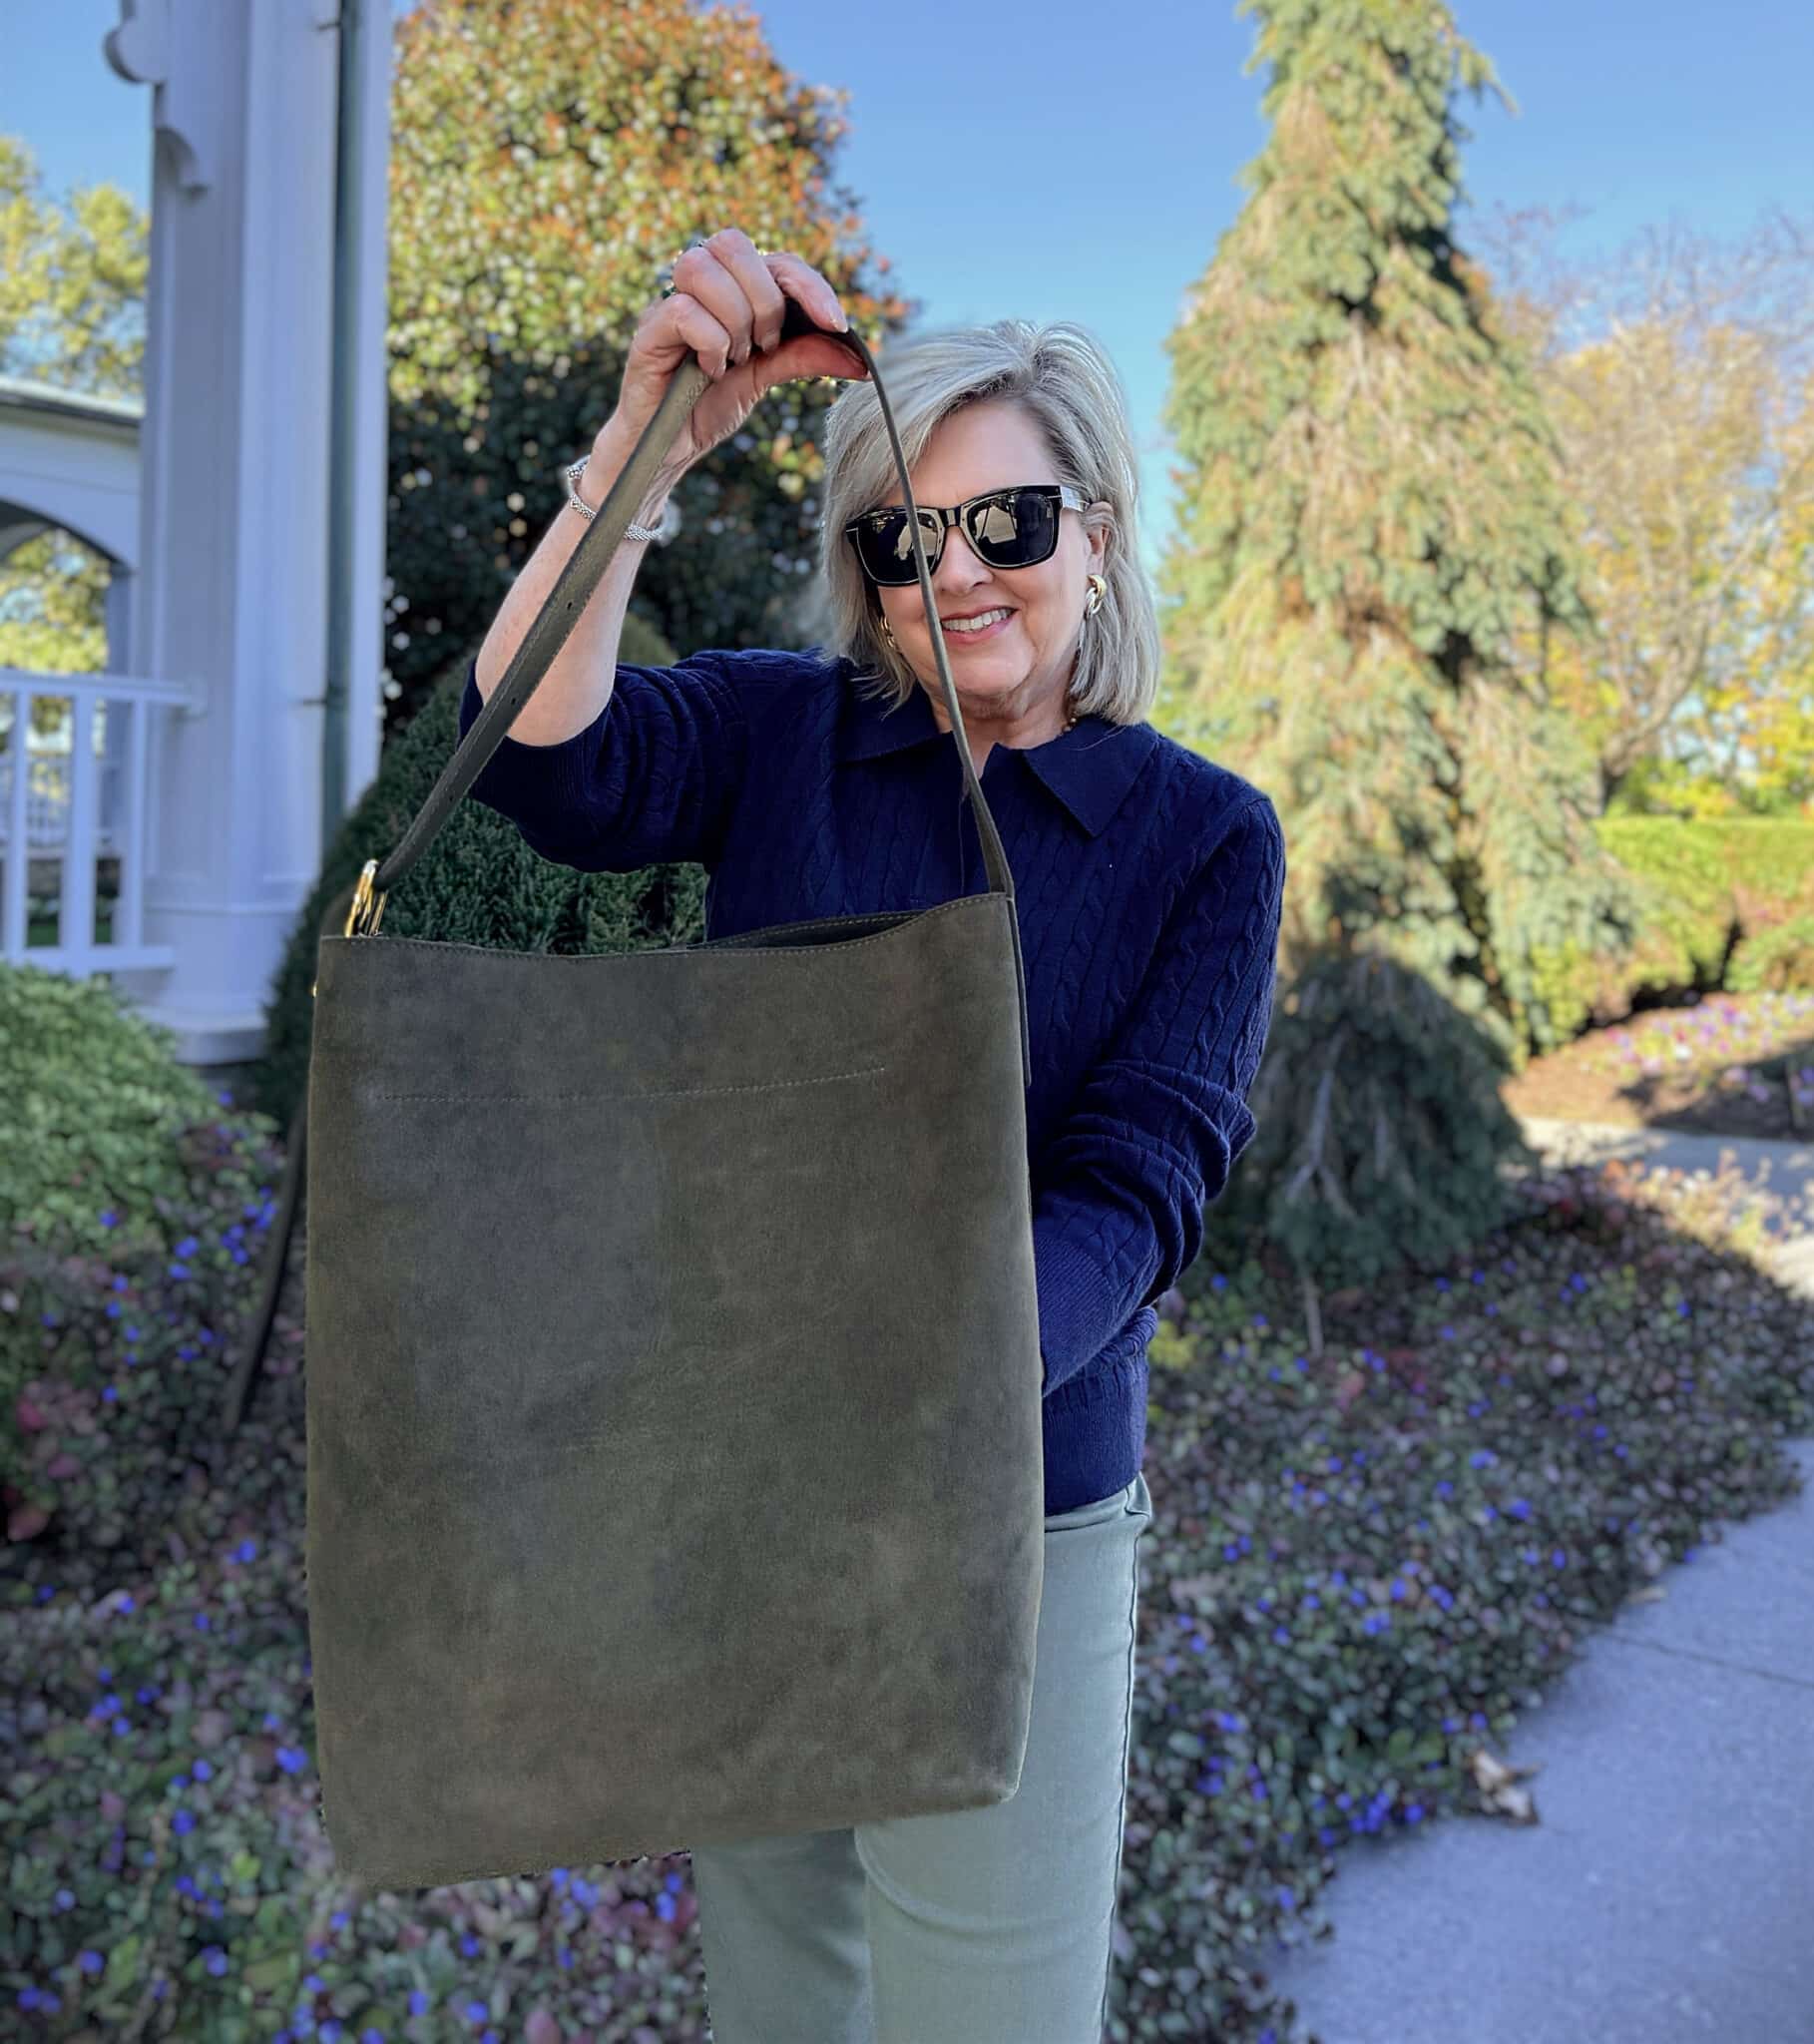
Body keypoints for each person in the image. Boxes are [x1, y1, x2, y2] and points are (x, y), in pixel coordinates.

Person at [460, 228, 1286, 2044]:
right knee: (781, 1985)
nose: (956, 572)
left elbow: (1139, 1184)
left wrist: (916, 1380)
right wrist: (638, 460)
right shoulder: (782, 735)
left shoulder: (1205, 837)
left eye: (1008, 524)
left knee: (986, 2011)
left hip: (1014, 1514)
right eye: (903, 539)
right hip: (750, 1489)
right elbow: (535, 757)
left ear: (1097, 535)